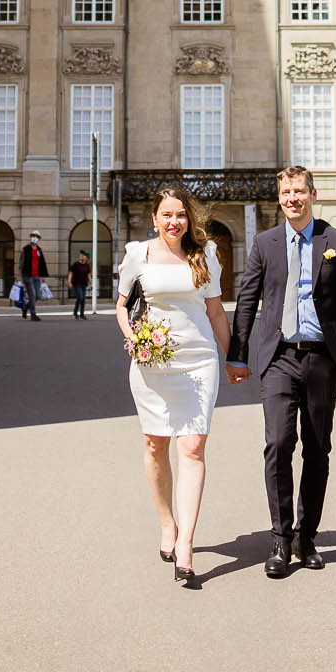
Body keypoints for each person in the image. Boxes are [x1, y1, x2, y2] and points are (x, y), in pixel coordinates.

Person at [227, 166, 336, 580]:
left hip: (323, 357)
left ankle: (307, 537)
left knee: (318, 448)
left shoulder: (335, 241)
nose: (293, 198)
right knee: (278, 443)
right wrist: (238, 355)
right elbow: (247, 300)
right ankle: (280, 538)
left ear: (313, 194)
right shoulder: (264, 243)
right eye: (286, 192)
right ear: (280, 198)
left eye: (299, 191)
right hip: (279, 357)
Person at [116, 187, 229, 585]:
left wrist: (233, 357)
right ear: (155, 218)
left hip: (199, 360)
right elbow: (122, 306)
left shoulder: (206, 253)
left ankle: (186, 544)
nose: (174, 221)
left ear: (188, 218)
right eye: (166, 215)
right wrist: (135, 339)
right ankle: (168, 523)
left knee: (193, 447)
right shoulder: (138, 254)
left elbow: (215, 310)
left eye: (180, 214)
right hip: (152, 362)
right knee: (155, 443)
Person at [19, 233, 48, 321]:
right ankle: (33, 314)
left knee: (38, 296)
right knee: (32, 295)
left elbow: (42, 263)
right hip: (27, 275)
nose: (34, 238)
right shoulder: (25, 249)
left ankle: (25, 307)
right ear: (31, 238)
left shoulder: (39, 250)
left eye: (36, 237)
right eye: (33, 236)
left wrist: (43, 276)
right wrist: (19, 275)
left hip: (37, 275)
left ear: (38, 239)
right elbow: (21, 262)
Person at [69, 251, 92, 319]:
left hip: (84, 284)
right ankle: (75, 313)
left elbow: (88, 275)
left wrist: (91, 283)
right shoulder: (75, 264)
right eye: (81, 255)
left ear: (86, 258)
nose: (82, 256)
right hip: (76, 283)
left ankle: (81, 314)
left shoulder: (87, 265)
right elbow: (70, 273)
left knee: (83, 299)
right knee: (80, 297)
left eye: (84, 255)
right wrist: (69, 282)